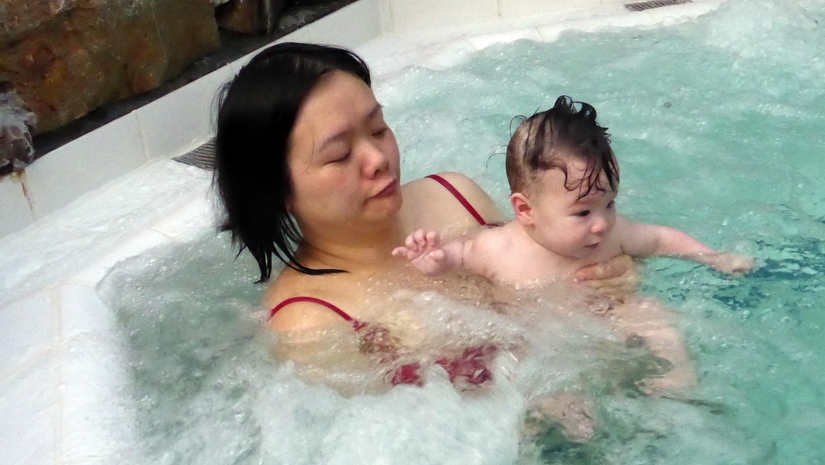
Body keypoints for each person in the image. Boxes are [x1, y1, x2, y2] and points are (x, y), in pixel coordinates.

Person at [213, 44, 635, 389]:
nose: (377, 158)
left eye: (378, 129)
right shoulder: (308, 318)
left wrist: (608, 278)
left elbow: (558, 263)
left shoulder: (454, 197)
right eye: (340, 155)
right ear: (278, 190)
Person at [393, 95, 755, 393]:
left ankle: (678, 374)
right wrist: (434, 260)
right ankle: (560, 406)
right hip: (537, 331)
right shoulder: (498, 249)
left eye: (609, 203)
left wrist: (713, 257)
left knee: (653, 315)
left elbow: (660, 238)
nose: (602, 223)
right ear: (525, 209)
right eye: (582, 213)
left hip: (608, 316)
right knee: (525, 361)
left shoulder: (611, 235)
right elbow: (456, 259)